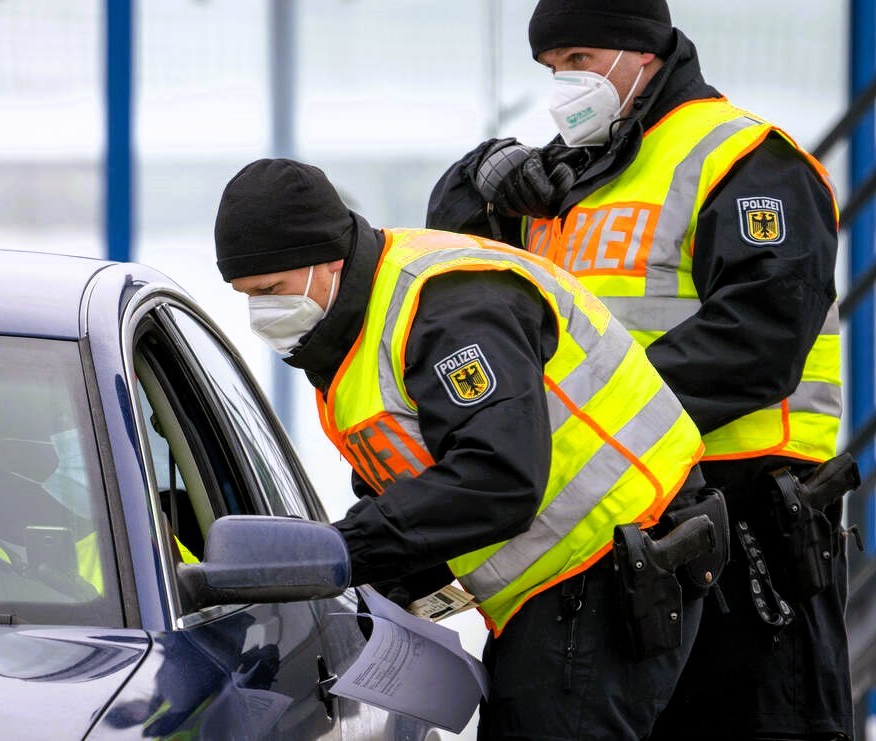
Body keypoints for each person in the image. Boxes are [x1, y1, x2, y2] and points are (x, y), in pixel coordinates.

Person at [425, 1, 853, 739]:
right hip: (611, 542)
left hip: (745, 535)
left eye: (580, 61)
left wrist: (595, 426)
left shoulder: (746, 159)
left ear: (641, 55)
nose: (563, 85)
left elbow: (760, 338)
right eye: (552, 69)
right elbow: (455, 280)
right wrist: (478, 178)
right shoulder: (565, 181)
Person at [214, 157, 728, 739]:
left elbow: (498, 478)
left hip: (611, 568)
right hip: (562, 586)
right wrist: (383, 588)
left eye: (271, 290)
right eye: (246, 295)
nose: (261, 313)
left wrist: (344, 549)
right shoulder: (354, 331)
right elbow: (415, 480)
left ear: (327, 258)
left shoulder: (449, 307)